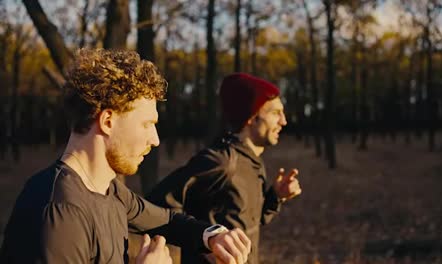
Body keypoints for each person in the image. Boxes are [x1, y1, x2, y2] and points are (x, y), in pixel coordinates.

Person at [0, 49, 251, 264]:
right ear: (108, 121)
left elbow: (166, 220)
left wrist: (213, 236)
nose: (155, 139)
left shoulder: (109, 191)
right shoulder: (58, 214)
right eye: (146, 124)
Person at [146, 73, 302, 264]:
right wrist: (204, 244)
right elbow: (155, 204)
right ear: (251, 117)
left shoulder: (254, 161)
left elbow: (246, 221)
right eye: (275, 113)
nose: (284, 121)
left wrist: (276, 197)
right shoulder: (222, 161)